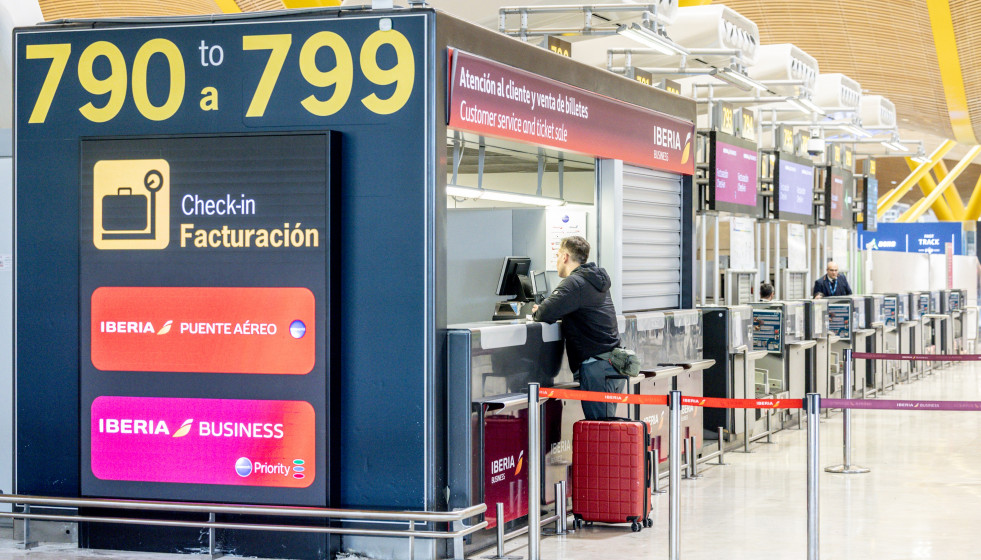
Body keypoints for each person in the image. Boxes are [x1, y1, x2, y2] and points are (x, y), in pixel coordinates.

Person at [532, 236, 622, 420]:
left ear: (565, 257)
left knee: (600, 432)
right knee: (604, 429)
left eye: (557, 255)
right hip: (610, 363)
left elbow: (544, 314)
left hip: (596, 367)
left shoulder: (575, 283)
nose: (556, 260)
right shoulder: (594, 280)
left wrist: (539, 309)